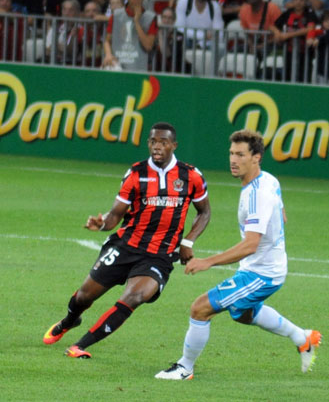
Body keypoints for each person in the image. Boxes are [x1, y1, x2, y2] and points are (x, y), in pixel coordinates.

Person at [155, 130, 322, 380]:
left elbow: (250, 245)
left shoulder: (258, 195)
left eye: (241, 154)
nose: (233, 160)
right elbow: (282, 214)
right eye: (232, 153)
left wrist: (207, 262)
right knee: (244, 314)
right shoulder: (268, 180)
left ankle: (184, 368)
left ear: (256, 157)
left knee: (200, 309)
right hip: (262, 267)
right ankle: (302, 337)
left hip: (263, 273)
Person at [43, 122, 211, 358]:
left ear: (174, 145)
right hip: (125, 246)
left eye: (163, 142)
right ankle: (70, 320)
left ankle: (80, 346)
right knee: (84, 296)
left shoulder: (190, 175)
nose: (157, 146)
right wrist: (102, 224)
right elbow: (115, 216)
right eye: (153, 141)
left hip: (160, 254)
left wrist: (188, 241)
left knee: (135, 297)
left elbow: (204, 212)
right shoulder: (136, 174)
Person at [102, 0, 157, 71]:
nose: (135, 0)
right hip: (118, 62)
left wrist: (136, 21)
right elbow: (107, 41)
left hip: (139, 65)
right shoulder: (116, 15)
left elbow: (148, 46)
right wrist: (108, 54)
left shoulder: (150, 18)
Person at [311, 9, 329, 83]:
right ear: (322, 22)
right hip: (321, 68)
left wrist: (319, 39)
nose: (328, 23)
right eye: (326, 20)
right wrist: (311, 39)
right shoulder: (320, 32)